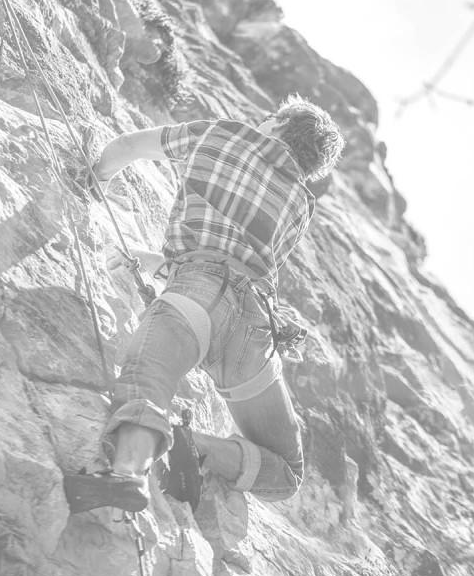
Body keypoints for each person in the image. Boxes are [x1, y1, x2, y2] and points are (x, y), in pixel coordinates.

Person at [64, 95, 344, 513]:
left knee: (149, 380)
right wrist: (152, 264)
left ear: (277, 124)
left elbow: (127, 148)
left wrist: (95, 177)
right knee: (287, 470)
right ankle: (194, 447)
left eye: (268, 118)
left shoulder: (222, 134)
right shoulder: (301, 206)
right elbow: (237, 266)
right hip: (251, 331)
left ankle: (126, 477)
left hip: (194, 294)